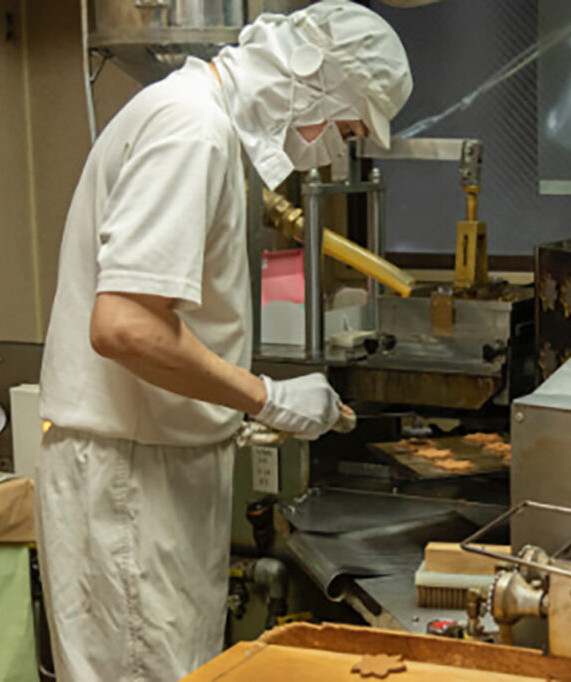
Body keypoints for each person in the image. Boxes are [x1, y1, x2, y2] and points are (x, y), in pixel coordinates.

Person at [34, 2, 412, 680]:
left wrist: (249, 402)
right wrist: (263, 397)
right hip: (131, 478)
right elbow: (124, 326)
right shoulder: (190, 128)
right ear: (312, 78)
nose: (335, 145)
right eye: (346, 125)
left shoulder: (210, 132)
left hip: (155, 470)